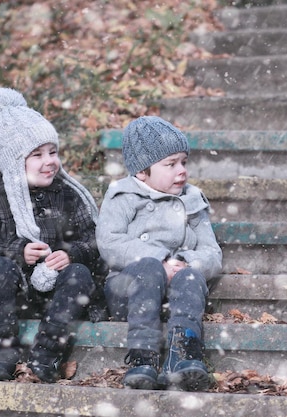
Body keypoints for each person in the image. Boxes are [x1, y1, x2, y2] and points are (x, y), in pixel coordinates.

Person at [0, 87, 105, 383]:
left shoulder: (67, 195)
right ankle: (3, 352)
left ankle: (46, 354)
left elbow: (94, 239)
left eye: (52, 152)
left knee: (79, 273)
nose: (49, 161)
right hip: (15, 294)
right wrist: (17, 252)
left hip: (57, 292)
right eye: (36, 155)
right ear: (14, 162)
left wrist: (71, 254)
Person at [96, 116, 223, 392]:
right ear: (142, 172)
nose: (182, 171)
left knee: (190, 278)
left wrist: (185, 263)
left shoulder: (191, 200)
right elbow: (109, 242)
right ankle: (143, 356)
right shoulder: (122, 195)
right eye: (170, 164)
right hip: (128, 291)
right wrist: (160, 259)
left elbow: (212, 252)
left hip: (176, 293)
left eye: (184, 162)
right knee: (149, 269)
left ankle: (184, 353)